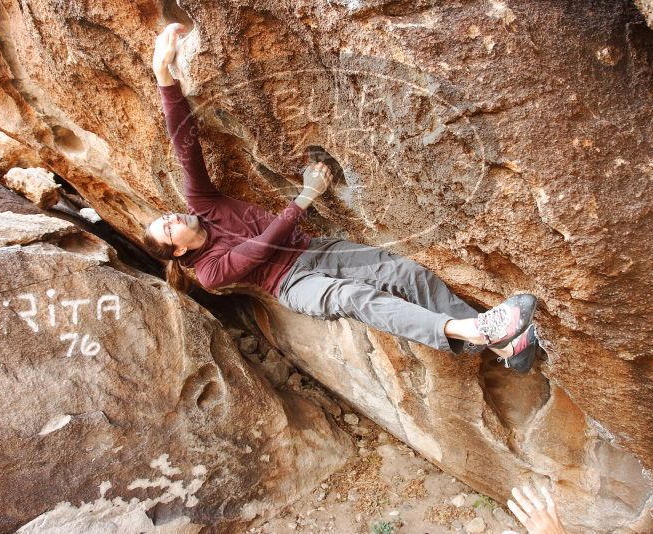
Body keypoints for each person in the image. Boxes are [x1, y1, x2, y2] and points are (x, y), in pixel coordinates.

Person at [144, 24, 540, 372]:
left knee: (406, 274)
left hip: (317, 249)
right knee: (356, 297)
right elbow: (261, 249)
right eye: (167, 227)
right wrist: (305, 197)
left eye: (167, 215)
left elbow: (185, 146)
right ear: (177, 251)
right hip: (293, 283)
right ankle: (475, 329)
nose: (173, 216)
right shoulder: (211, 273)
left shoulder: (204, 204)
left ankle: (506, 344)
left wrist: (164, 77)